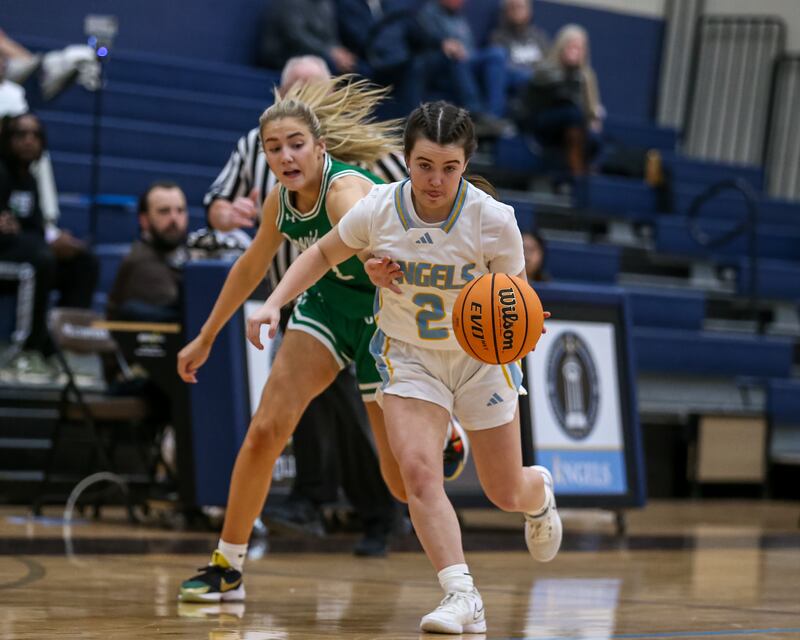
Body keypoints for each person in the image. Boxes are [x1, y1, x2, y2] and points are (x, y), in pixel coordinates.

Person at [246, 100, 562, 634]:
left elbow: (514, 296)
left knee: (505, 491)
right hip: (411, 356)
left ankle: (540, 496)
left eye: (450, 168)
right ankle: (461, 594)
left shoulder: (493, 220)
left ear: (466, 164)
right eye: (424, 165)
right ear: (407, 160)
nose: (435, 180)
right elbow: (320, 254)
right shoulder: (379, 208)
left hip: (480, 361)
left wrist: (521, 322)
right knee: (417, 472)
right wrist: (274, 303)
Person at [177, 77, 440, 602]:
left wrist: (373, 262)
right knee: (266, 430)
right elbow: (251, 266)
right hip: (327, 305)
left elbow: (368, 255)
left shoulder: (343, 193)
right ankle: (227, 565)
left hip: (384, 316)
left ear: (320, 148)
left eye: (296, 144)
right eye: (274, 148)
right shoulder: (280, 201)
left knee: (397, 482)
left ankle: (443, 433)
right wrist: (206, 336)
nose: (286, 156)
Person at [0, 113, 98, 382]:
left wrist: (56, 240)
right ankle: (26, 351)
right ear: (6, 140)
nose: (29, 141)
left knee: (83, 262)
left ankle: (62, 345)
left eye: (35, 135)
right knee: (39, 259)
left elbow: (32, 230)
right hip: (8, 258)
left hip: (23, 252)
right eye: (21, 135)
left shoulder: (29, 180)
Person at [519, 24, 604, 179]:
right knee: (572, 114)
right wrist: (570, 72)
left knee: (591, 135)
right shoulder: (545, 70)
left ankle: (576, 175)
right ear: (561, 46)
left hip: (575, 124)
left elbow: (592, 108)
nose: (575, 52)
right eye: (571, 47)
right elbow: (551, 99)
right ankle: (577, 175)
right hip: (544, 121)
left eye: (579, 48)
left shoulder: (586, 76)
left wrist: (593, 120)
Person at [415, 0, 508, 127]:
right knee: (457, 56)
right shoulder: (428, 14)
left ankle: (494, 115)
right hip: (445, 63)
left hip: (469, 58)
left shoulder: (458, 16)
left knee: (497, 54)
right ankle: (476, 112)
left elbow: (470, 47)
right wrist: (444, 43)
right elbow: (427, 41)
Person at [107, 181, 189, 322]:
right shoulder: (139, 261)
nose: (174, 218)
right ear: (144, 220)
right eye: (164, 211)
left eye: (180, 210)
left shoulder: (188, 254)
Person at [257, 0, 359, 74]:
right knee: (333, 65)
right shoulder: (290, 2)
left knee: (356, 67)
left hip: (319, 52)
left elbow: (330, 34)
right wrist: (330, 52)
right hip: (287, 55)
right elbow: (296, 36)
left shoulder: (326, 3)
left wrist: (338, 51)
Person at [490, 0, 550, 93]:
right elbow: (502, 67)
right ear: (506, 12)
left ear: (529, 11)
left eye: (520, 7)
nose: (517, 11)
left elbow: (548, 61)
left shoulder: (539, 36)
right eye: (513, 8)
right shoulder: (498, 37)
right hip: (517, 85)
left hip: (541, 83)